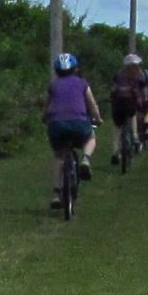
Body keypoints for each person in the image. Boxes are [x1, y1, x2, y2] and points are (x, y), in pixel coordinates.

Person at [44, 53, 99, 212]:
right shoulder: (82, 83)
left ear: (56, 71)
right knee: (90, 138)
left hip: (56, 125)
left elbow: (46, 108)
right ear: (75, 69)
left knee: (59, 155)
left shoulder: (53, 86)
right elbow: (92, 104)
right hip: (79, 123)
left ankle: (56, 193)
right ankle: (86, 159)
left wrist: (44, 118)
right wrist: (98, 118)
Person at [107, 52, 148, 167]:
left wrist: (111, 98)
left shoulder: (118, 75)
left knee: (117, 129)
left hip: (118, 104)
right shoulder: (139, 75)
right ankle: (135, 136)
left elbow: (113, 90)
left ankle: (115, 152)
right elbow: (144, 92)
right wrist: (145, 101)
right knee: (132, 115)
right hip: (131, 103)